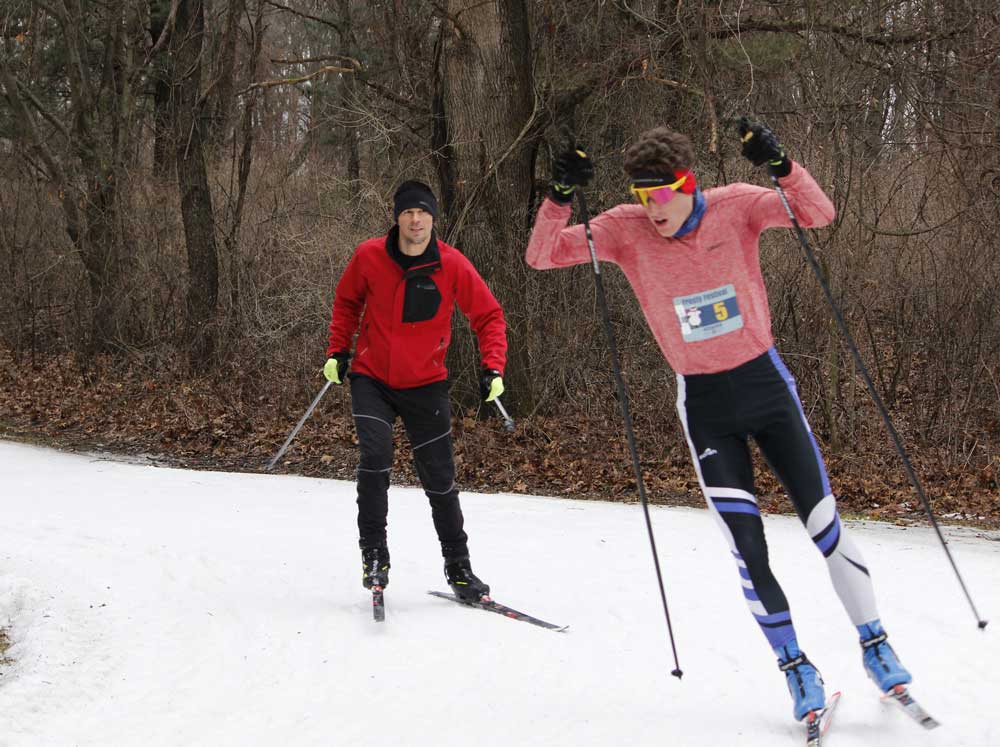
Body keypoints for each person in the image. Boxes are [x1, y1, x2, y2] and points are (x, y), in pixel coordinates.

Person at [525, 121, 913, 722]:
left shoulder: (737, 207)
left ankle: (876, 646)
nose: (651, 209)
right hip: (705, 407)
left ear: (688, 184)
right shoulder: (625, 231)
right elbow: (542, 255)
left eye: (660, 195)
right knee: (748, 548)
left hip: (766, 388)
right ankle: (796, 668)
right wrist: (559, 196)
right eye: (640, 196)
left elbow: (819, 213)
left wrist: (781, 164)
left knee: (825, 526)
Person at [325, 179, 507, 601]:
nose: (415, 220)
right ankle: (374, 555)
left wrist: (493, 365)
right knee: (376, 455)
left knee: (440, 479)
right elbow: (347, 302)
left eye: (422, 213)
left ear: (433, 218)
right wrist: (338, 349)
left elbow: (489, 316)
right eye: (408, 212)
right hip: (373, 378)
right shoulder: (368, 256)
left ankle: (459, 570)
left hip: (426, 384)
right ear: (397, 217)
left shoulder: (452, 265)